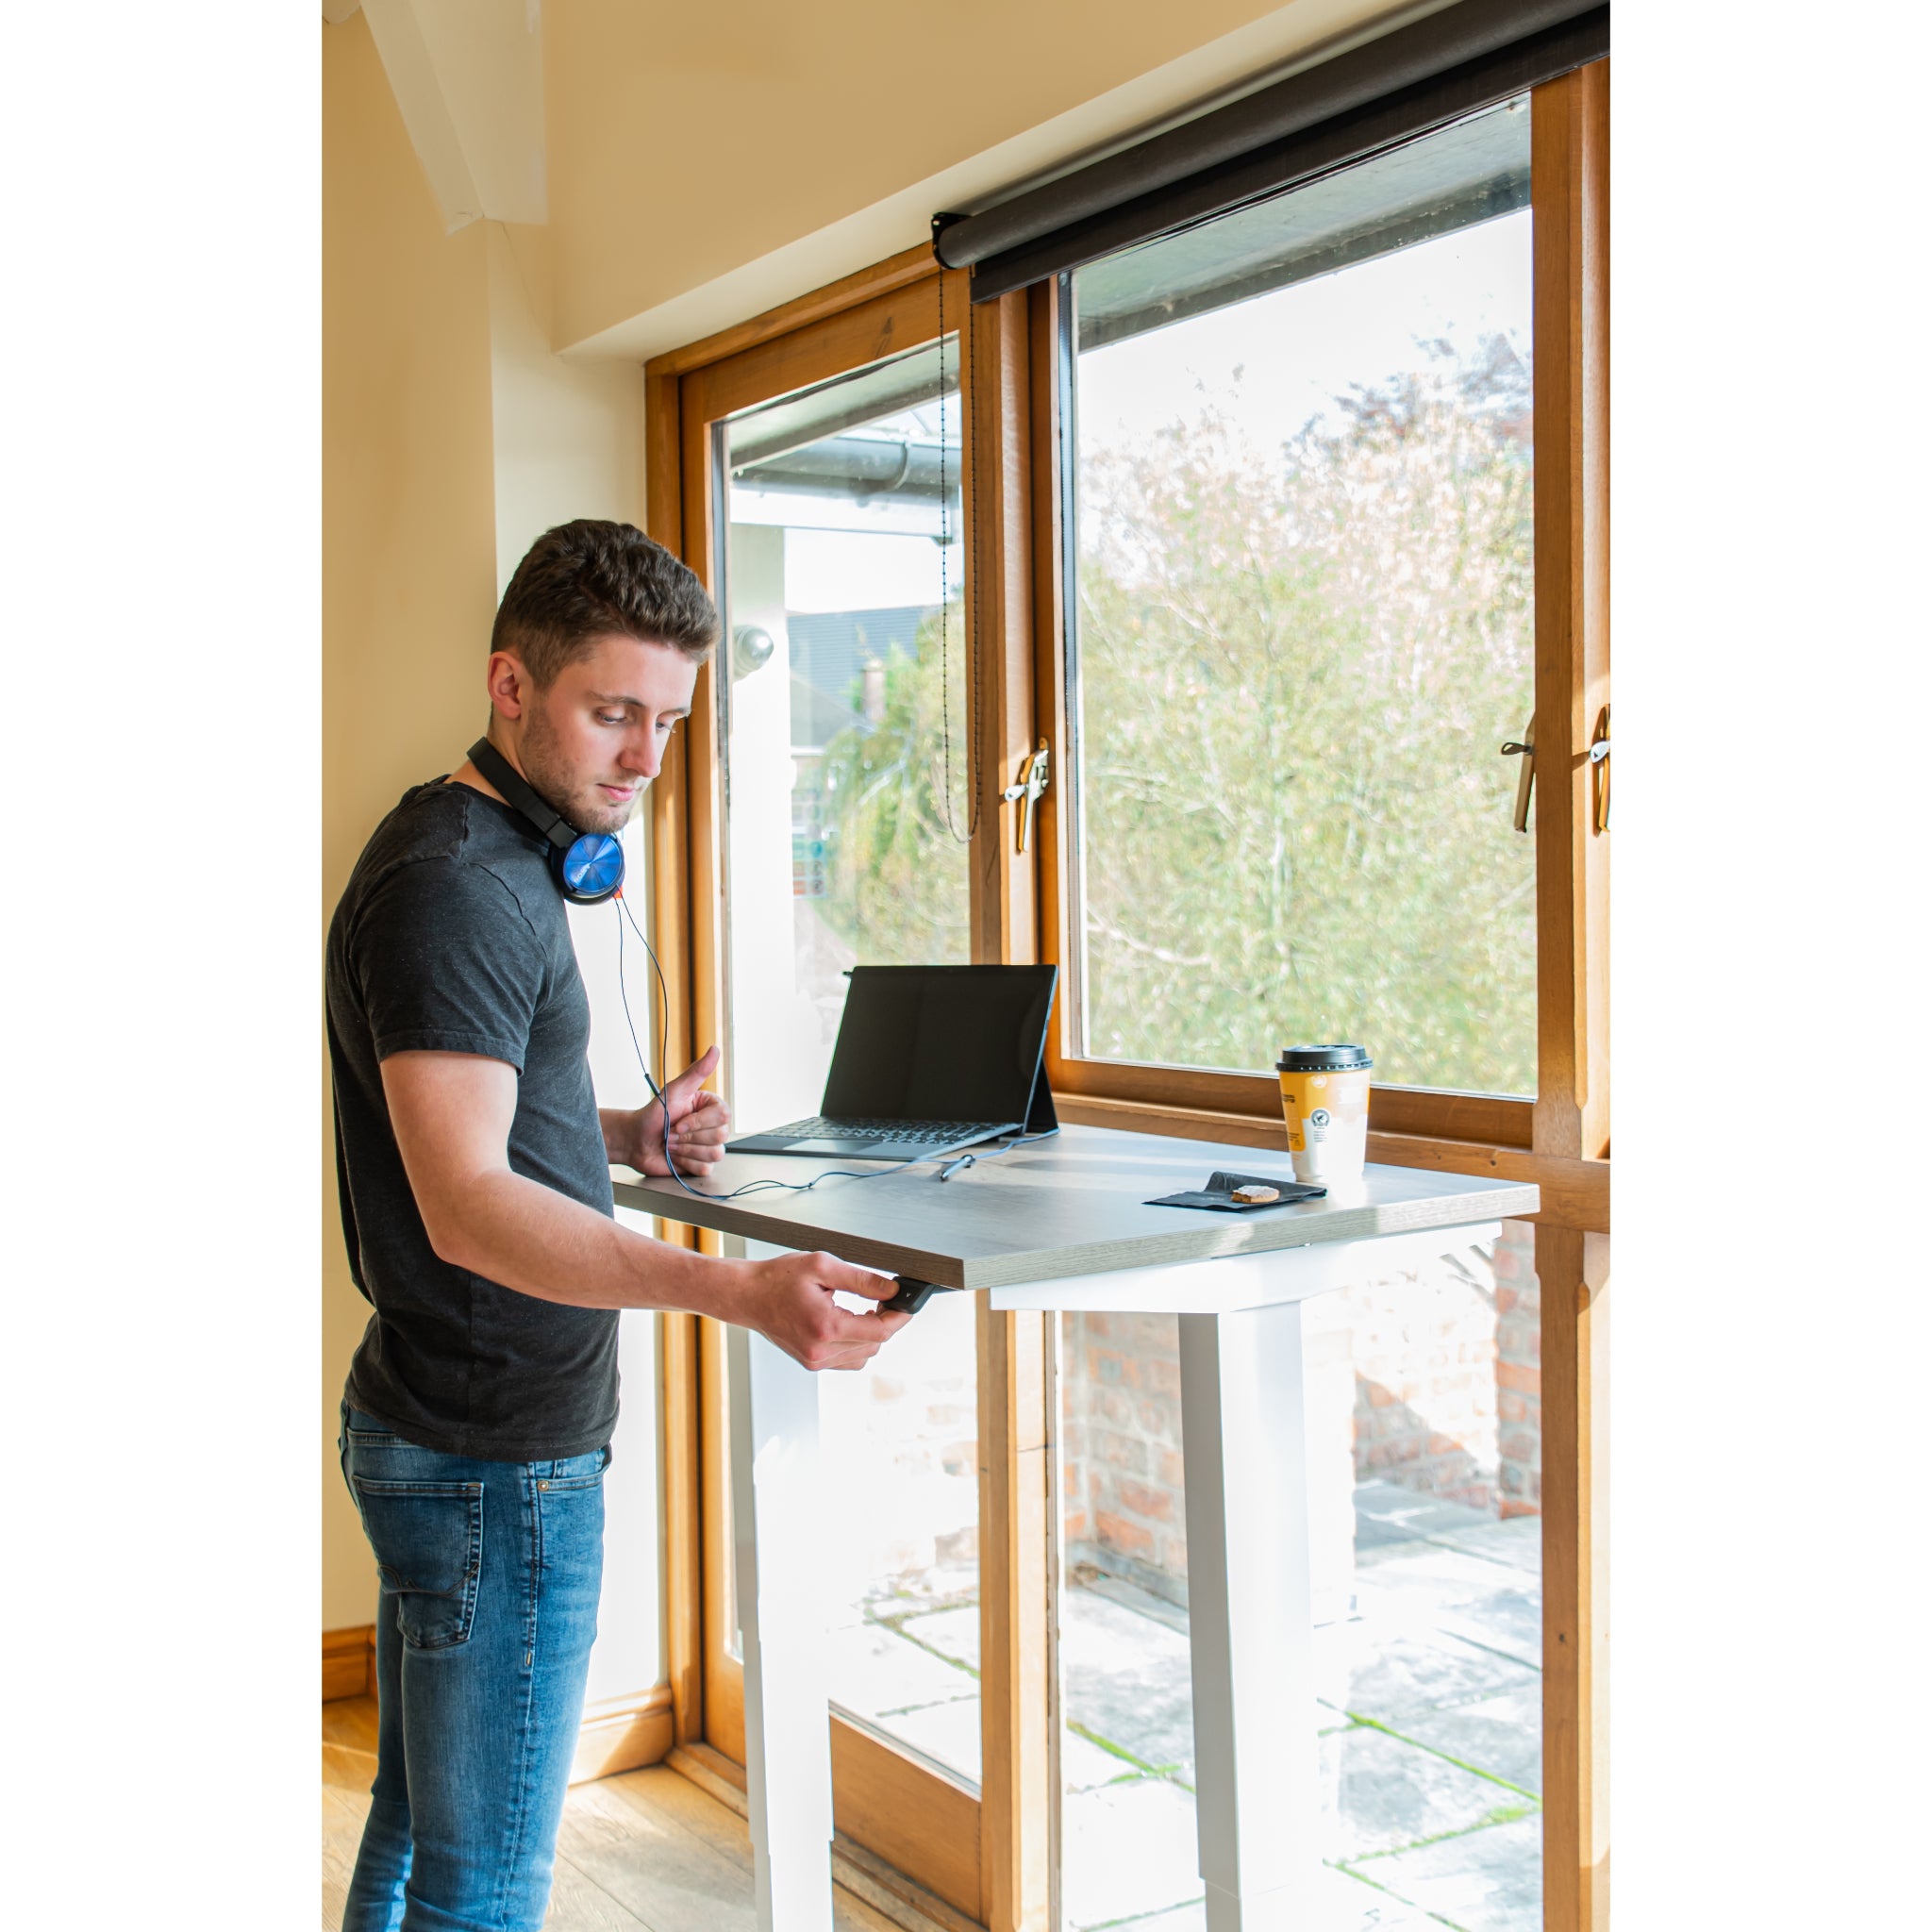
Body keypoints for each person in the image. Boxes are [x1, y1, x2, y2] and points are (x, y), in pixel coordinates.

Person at [326, 518, 909, 1932]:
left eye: (667, 721)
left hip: (448, 1431)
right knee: (488, 1887)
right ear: (509, 686)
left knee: (415, 1846)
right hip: (493, 1459)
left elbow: (469, 1130)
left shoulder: (477, 852)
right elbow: (466, 1209)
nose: (645, 759)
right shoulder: (462, 884)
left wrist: (624, 1139)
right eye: (612, 713)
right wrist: (744, 1292)